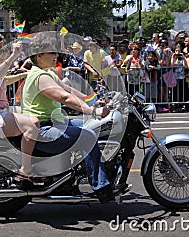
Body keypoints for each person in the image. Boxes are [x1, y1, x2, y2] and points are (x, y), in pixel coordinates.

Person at [21, 33, 118, 203]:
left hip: (55, 122)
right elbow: (64, 97)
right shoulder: (40, 76)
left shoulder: (47, 73)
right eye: (51, 52)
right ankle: (101, 187)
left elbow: (70, 90)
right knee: (87, 136)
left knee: (92, 125)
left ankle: (72, 172)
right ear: (39, 56)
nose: (56, 56)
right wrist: (91, 110)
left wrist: (95, 100)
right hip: (43, 128)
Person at [0, 33, 39, 180]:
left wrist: (24, 75)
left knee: (36, 113)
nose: (4, 54)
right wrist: (14, 55)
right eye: (1, 51)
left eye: (6, 50)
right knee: (32, 124)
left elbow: (3, 80)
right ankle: (25, 169)